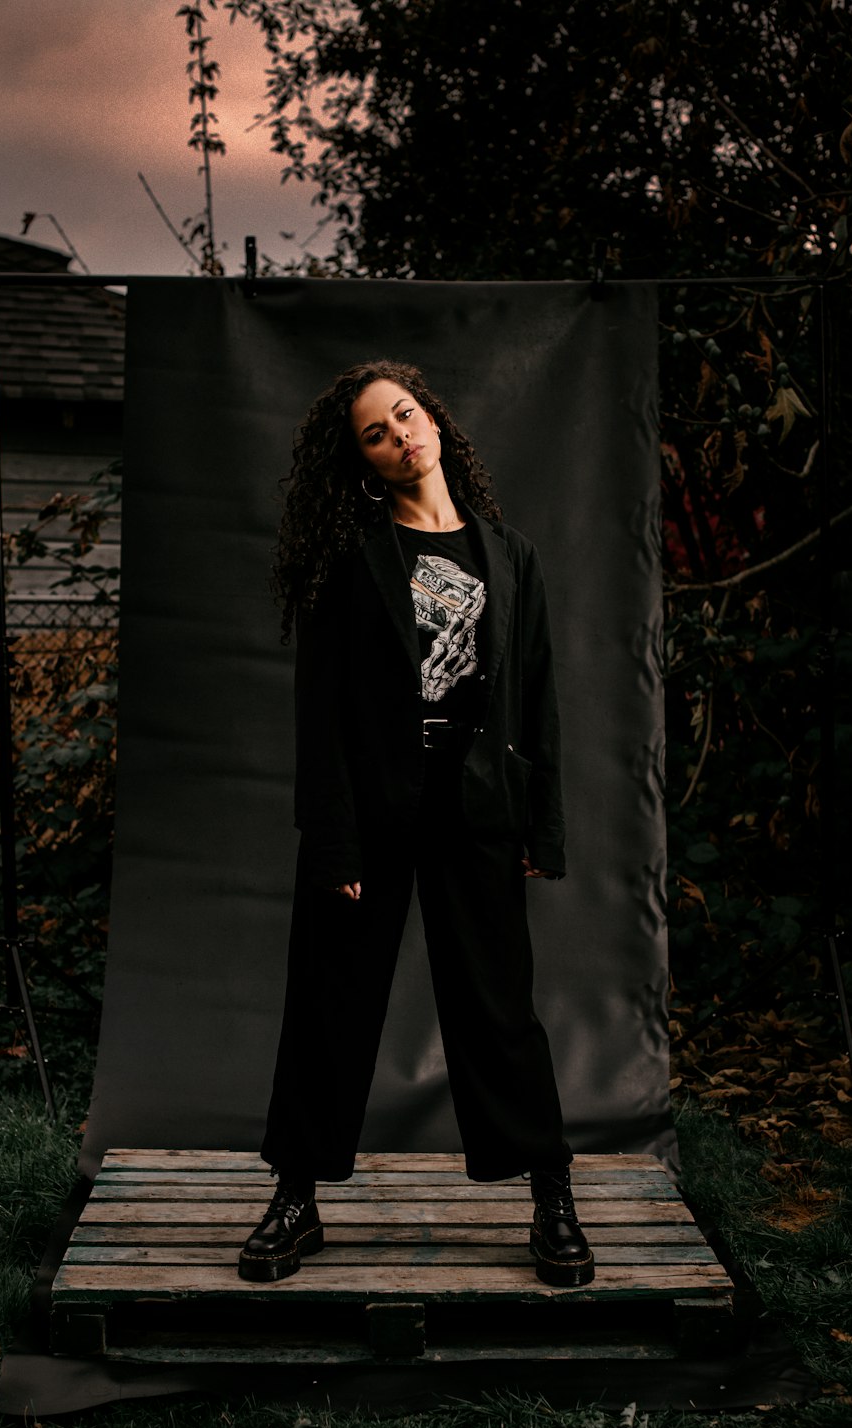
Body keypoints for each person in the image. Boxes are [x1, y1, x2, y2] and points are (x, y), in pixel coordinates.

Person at [237, 359, 593, 1289]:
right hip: (376, 804)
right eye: (377, 433)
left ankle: (550, 1193)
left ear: (433, 417)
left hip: (478, 806)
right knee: (331, 1000)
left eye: (406, 415)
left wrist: (539, 828)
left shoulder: (508, 555)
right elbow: (322, 712)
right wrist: (334, 836)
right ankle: (295, 1198)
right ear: (364, 462)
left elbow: (540, 701)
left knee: (497, 1007)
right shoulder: (353, 561)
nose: (402, 436)